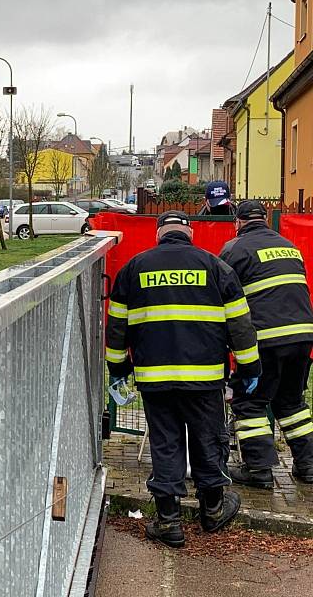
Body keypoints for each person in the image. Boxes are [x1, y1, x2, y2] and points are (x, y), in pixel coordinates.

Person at [105, 210, 261, 548]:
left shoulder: (134, 268)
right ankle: (213, 510)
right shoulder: (216, 267)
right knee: (208, 440)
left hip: (154, 379)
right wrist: (249, 369)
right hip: (205, 380)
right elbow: (240, 325)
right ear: (190, 235)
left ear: (158, 235)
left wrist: (117, 370)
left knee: (165, 443)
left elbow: (117, 326)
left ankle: (169, 521)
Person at [220, 201, 313, 488]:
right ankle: (308, 466)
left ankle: (259, 470)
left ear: (238, 222)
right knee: (291, 402)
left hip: (266, 339)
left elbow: (221, 293)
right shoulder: (289, 246)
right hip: (302, 336)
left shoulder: (234, 249)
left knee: (250, 402)